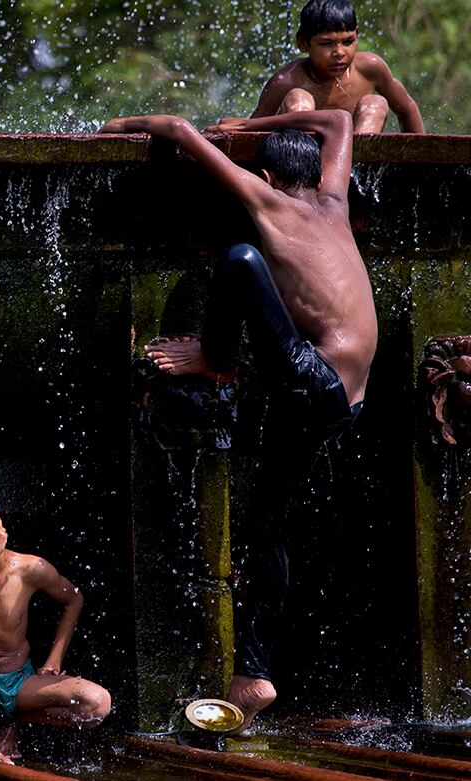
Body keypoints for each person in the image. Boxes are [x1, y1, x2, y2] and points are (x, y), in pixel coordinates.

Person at [98, 108, 376, 730]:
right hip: (346, 399)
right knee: (268, 525)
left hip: (313, 382)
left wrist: (116, 126)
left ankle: (215, 358)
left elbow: (177, 129)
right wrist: (261, 124)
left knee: (242, 259)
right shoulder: (334, 201)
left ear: (270, 178)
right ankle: (253, 677)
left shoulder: (267, 200)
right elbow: (337, 120)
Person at [0, 478, 111, 763]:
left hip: (20, 684)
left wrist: (54, 660)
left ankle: (16, 720)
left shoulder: (28, 567)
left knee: (97, 704)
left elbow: (74, 598)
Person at [250, 0, 423, 134]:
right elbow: (249, 130)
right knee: (299, 98)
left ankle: (360, 165)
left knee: (375, 103)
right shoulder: (287, 81)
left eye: (348, 41)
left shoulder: (370, 69)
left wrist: (420, 161)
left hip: (353, 159)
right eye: (327, 43)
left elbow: (407, 109)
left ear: (357, 35)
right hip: (302, 159)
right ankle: (302, 164)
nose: (339, 52)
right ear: (303, 43)